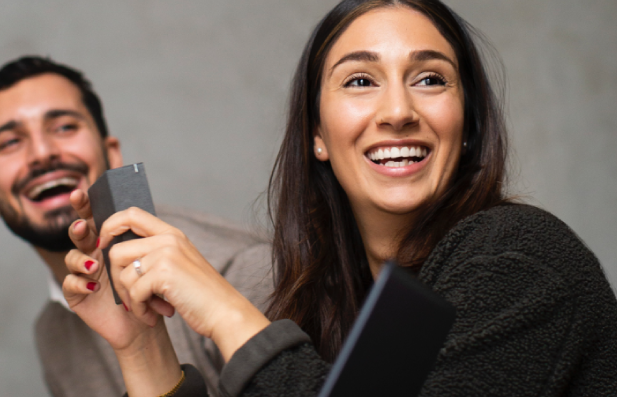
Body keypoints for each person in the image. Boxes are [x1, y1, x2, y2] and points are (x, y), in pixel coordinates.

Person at [63, 0, 617, 395]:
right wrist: (142, 347)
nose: (398, 110)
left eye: (430, 79)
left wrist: (225, 310)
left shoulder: (521, 258)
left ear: (467, 125)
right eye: (359, 81)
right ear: (317, 135)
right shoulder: (332, 314)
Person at [0, 56, 272, 397]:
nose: (41, 153)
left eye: (65, 127)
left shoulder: (243, 270)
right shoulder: (51, 333)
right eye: (10, 142)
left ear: (113, 155)